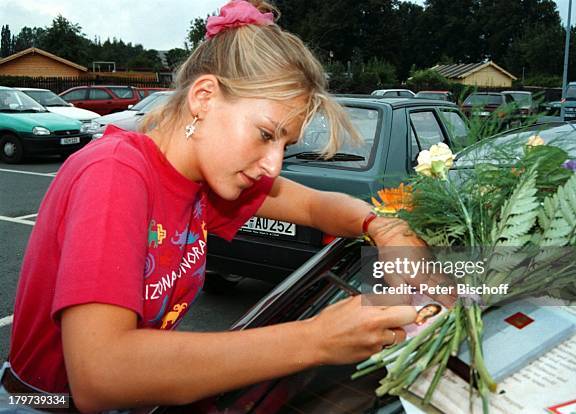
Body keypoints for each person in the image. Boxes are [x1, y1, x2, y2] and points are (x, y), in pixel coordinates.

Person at [6, 1, 424, 412]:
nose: (273, 164)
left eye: (285, 145)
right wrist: (317, 339)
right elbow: (101, 376)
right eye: (265, 134)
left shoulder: (206, 177)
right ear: (204, 97)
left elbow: (317, 206)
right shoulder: (114, 172)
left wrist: (382, 227)